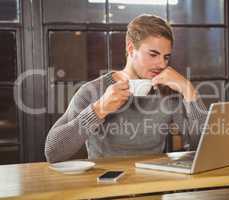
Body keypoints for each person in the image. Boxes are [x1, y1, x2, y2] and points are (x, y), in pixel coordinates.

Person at [45, 14, 207, 163]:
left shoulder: (167, 91)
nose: (162, 64)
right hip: (106, 187)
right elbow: (53, 152)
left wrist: (188, 90)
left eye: (166, 57)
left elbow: (204, 146)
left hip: (153, 185)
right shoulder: (93, 90)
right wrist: (99, 109)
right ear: (131, 49)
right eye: (153, 54)